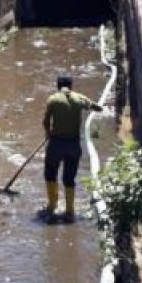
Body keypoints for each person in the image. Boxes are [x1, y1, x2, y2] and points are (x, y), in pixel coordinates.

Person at [41, 74, 102, 223]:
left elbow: (45, 122)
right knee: (69, 178)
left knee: (50, 174)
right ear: (71, 86)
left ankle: (52, 206)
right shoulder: (79, 98)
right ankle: (69, 212)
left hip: (56, 144)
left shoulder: (53, 99)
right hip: (73, 145)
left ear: (57, 85)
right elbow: (98, 108)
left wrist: (48, 134)